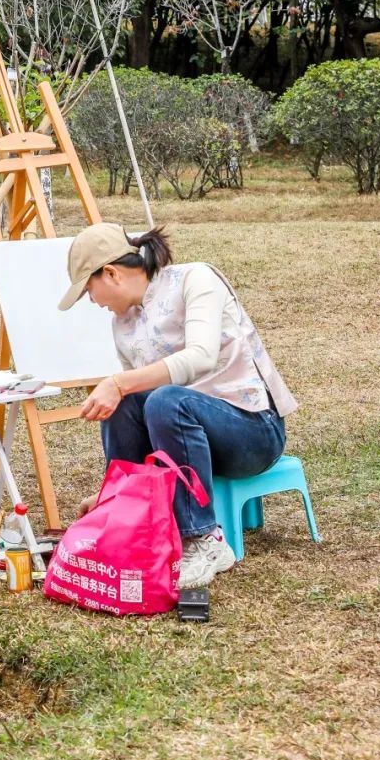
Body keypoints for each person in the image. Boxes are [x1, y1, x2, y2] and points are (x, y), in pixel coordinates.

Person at [59, 222, 297, 590]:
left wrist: (117, 384)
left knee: (164, 400)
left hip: (251, 430)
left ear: (110, 273)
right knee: (130, 404)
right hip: (186, 446)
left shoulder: (195, 279)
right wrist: (115, 490)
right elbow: (138, 415)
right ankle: (126, 513)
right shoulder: (122, 325)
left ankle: (204, 540)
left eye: (89, 289)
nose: (93, 301)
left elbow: (200, 357)